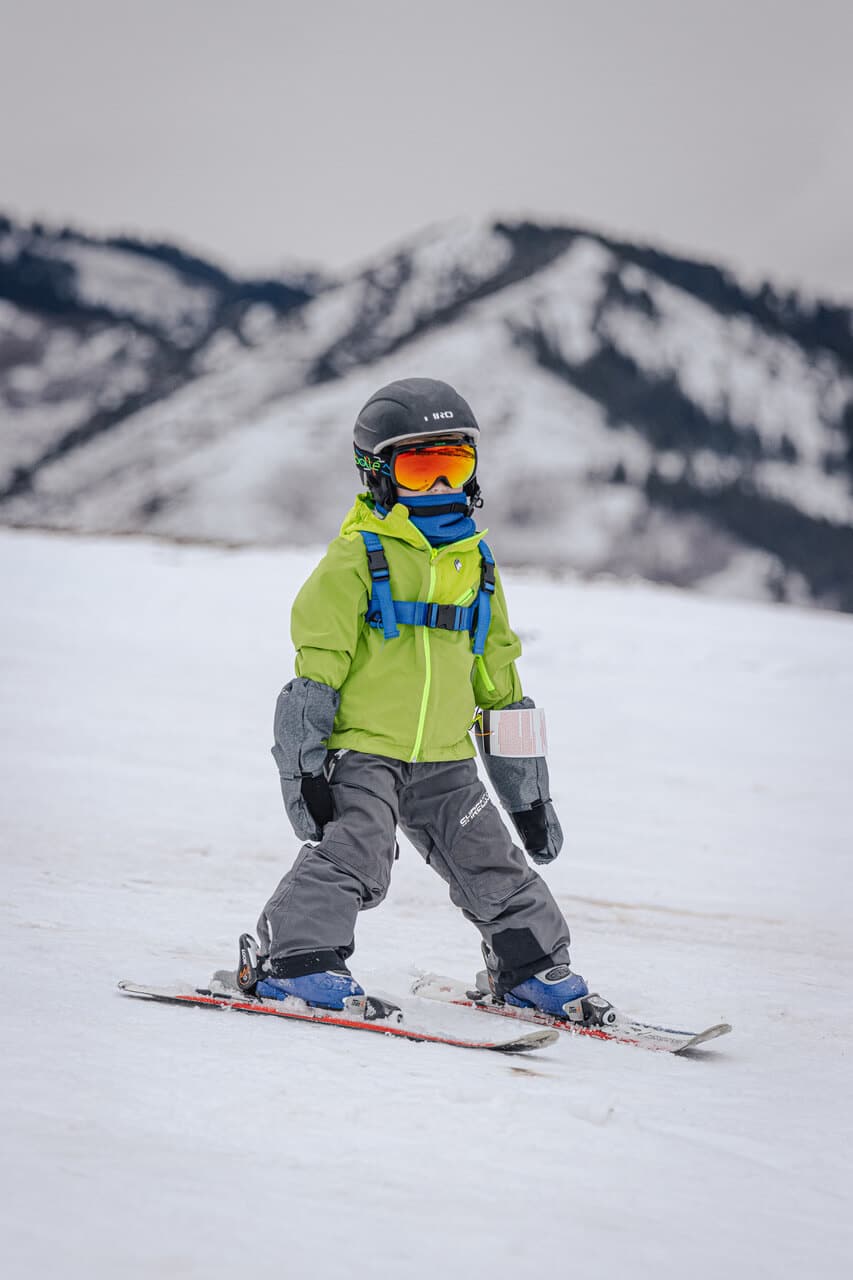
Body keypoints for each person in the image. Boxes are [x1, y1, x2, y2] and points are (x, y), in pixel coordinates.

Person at [254, 377, 587, 1017]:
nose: (441, 486)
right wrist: (305, 773)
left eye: (454, 465)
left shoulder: (478, 564)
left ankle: (531, 968)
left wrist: (529, 798)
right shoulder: (356, 558)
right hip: (362, 752)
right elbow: (313, 676)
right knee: (356, 853)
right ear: (378, 472)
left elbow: (502, 685)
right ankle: (294, 959)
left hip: (445, 758)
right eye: (421, 467)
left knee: (492, 860)